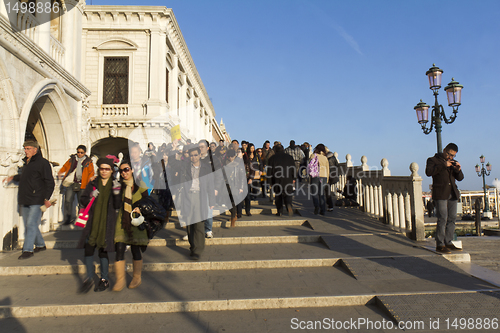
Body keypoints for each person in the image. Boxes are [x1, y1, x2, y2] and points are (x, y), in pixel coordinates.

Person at [3, 141, 55, 260]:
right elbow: (26, 177)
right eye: (25, 148)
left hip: (37, 199)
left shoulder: (43, 163)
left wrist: (47, 198)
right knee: (29, 224)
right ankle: (41, 245)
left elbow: (49, 182)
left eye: (28, 148)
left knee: (31, 224)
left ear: (35, 149)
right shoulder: (26, 163)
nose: (25, 151)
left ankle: (28, 249)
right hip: (25, 198)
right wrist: (13, 177)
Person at [77, 157, 121, 293]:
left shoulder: (116, 184)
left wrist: (116, 192)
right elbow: (82, 199)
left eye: (107, 169)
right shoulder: (93, 183)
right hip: (92, 222)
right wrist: (91, 195)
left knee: (103, 251)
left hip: (107, 223)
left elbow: (118, 204)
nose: (104, 171)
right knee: (89, 249)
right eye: (102, 169)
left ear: (112, 171)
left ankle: (104, 279)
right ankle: (89, 278)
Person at [112, 159, 149, 291]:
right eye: (121, 170)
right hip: (123, 220)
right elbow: (115, 205)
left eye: (126, 169)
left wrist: (140, 207)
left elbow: (148, 200)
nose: (124, 173)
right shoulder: (119, 186)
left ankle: (136, 277)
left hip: (136, 220)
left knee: (135, 249)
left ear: (132, 170)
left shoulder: (140, 184)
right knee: (120, 248)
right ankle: (120, 280)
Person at [425, 143, 464, 254]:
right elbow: (428, 172)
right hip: (440, 193)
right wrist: (444, 165)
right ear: (444, 150)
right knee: (443, 218)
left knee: (452, 218)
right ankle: (440, 244)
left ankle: (448, 241)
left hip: (452, 193)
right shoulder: (433, 160)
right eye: (449, 154)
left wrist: (458, 169)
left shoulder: (453, 163)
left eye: (453, 156)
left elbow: (460, 178)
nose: (450, 157)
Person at [178, 146, 215, 260]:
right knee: (190, 225)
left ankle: (198, 251)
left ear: (199, 155)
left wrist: (212, 200)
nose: (193, 157)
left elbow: (210, 183)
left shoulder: (206, 168)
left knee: (199, 225)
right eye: (191, 155)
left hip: (200, 196)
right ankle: (193, 247)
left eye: (195, 155)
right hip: (188, 196)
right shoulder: (185, 167)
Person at [58, 145, 95, 225]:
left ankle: (80, 219)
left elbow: (91, 172)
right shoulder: (72, 159)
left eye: (81, 153)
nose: (79, 154)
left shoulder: (88, 161)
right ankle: (68, 218)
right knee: (68, 200)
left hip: (83, 184)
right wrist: (60, 172)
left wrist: (89, 184)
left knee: (81, 203)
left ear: (85, 153)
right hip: (71, 183)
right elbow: (65, 167)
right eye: (78, 152)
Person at [199, 140, 222, 239]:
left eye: (203, 147)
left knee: (208, 210)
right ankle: (197, 230)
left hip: (209, 188)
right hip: (197, 189)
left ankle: (208, 230)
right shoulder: (196, 158)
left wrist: (216, 188)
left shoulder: (214, 160)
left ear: (208, 148)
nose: (201, 149)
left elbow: (218, 174)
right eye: (199, 147)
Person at [268, 144, 295, 217]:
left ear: (275, 150)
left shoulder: (272, 158)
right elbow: (293, 169)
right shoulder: (290, 157)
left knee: (278, 195)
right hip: (288, 178)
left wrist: (270, 182)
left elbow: (269, 171)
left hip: (277, 179)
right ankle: (288, 205)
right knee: (288, 194)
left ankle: (279, 211)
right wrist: (294, 178)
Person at [223, 149, 246, 227]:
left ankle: (233, 218)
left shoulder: (239, 164)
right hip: (226, 186)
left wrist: (241, 187)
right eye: (229, 156)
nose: (230, 158)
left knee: (233, 203)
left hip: (235, 186)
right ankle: (234, 214)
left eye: (232, 156)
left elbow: (242, 176)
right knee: (227, 203)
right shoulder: (225, 164)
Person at [309, 144, 329, 215]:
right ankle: (323, 210)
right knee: (321, 194)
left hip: (315, 176)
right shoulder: (325, 158)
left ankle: (316, 206)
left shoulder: (313, 156)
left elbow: (309, 166)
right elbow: (327, 169)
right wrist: (327, 179)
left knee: (314, 193)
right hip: (324, 176)